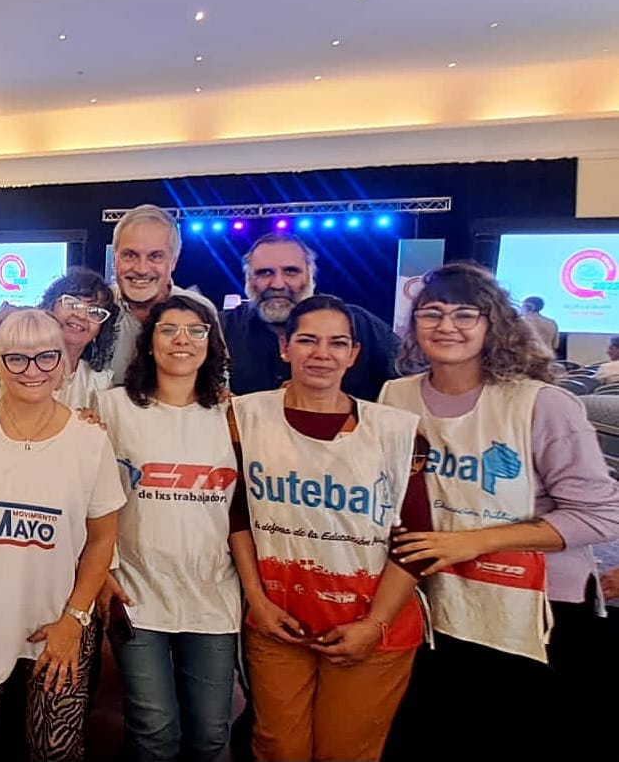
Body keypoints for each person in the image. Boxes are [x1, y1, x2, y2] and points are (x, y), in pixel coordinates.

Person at [380, 262, 619, 762]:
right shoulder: (394, 397)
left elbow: (600, 514)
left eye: (465, 314)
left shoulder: (543, 404)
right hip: (437, 602)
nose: (447, 326)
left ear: (494, 324)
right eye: (432, 313)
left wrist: (472, 542)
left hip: (539, 610)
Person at [229, 294, 427, 762]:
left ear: (353, 354)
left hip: (370, 623)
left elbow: (415, 539)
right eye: (308, 340)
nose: (322, 354)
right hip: (279, 620)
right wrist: (257, 600)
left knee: (346, 752)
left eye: (337, 343)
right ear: (285, 347)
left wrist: (374, 625)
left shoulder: (396, 431)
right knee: (279, 747)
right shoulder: (243, 418)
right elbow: (237, 517)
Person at [0, 309, 125, 762]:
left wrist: (74, 620)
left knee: (54, 749)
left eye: (45, 357)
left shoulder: (89, 439)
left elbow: (102, 538)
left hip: (59, 618)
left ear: (62, 365)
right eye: (16, 358)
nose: (32, 370)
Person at [94, 295, 241, 762]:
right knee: (153, 730)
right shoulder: (112, 407)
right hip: (136, 594)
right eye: (169, 329)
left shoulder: (235, 416)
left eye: (196, 330)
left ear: (211, 343)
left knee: (211, 734)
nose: (183, 340)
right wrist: (101, 571)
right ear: (148, 342)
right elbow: (86, 496)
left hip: (213, 597)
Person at [221, 232, 400, 401]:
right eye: (264, 273)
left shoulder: (361, 325)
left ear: (311, 275)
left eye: (290, 272)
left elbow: (407, 386)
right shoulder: (222, 329)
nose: (277, 284)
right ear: (248, 279)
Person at [0, 267, 118, 424]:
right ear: (50, 307)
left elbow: (102, 432)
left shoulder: (99, 384)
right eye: (72, 304)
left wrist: (91, 427)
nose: (81, 316)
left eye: (95, 312)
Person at [109, 205, 221, 384]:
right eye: (130, 255)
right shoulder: (95, 311)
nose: (141, 269)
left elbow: (217, 380)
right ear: (115, 258)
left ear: (173, 261)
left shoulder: (200, 310)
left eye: (155, 256)